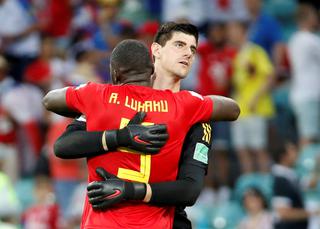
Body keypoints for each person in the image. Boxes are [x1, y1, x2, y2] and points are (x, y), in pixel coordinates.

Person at [45, 22, 239, 228]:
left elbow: (189, 190)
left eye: (193, 49)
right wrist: (121, 136)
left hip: (169, 220)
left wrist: (130, 189)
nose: (188, 54)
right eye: (180, 45)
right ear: (156, 50)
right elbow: (64, 145)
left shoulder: (195, 116)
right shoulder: (185, 106)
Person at [228, 20, 275, 173]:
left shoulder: (255, 52)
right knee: (242, 150)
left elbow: (270, 77)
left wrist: (256, 98)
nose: (231, 34)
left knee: (258, 148)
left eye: (234, 30)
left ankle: (265, 184)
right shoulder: (235, 55)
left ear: (243, 32)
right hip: (240, 110)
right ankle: (249, 185)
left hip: (255, 109)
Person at [288, 3, 320, 147]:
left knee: (308, 136)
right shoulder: (310, 40)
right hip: (309, 95)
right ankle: (303, 168)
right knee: (308, 137)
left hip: (300, 94)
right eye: (314, 16)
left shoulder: (294, 39)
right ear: (306, 19)